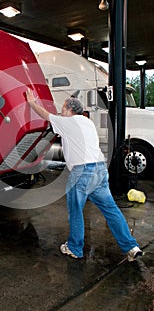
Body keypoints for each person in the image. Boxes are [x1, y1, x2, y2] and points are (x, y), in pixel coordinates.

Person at [26, 88, 143, 262]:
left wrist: (31, 102)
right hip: (100, 171)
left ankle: (74, 248)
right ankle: (131, 246)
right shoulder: (87, 123)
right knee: (111, 210)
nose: (61, 112)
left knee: (75, 211)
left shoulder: (69, 122)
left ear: (69, 110)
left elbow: (46, 115)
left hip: (82, 173)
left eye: (63, 109)